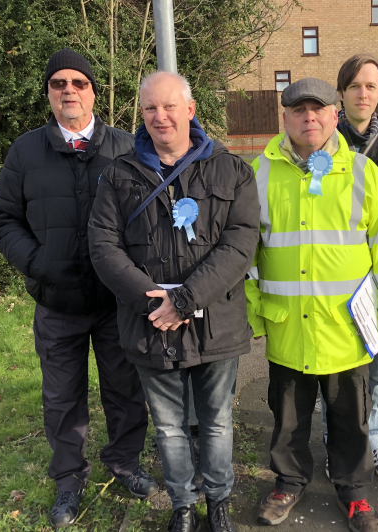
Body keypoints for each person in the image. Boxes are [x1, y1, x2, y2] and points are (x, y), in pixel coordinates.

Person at [0, 48, 153, 528]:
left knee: (124, 389)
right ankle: (68, 478)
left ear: (94, 92)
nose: (68, 91)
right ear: (48, 93)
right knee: (62, 397)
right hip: (57, 302)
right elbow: (4, 218)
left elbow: (148, 219)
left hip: (114, 302)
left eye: (78, 83)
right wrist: (37, 263)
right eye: (58, 83)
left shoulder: (124, 147)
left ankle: (125, 462)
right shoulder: (25, 151)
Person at [88, 71, 259, 532]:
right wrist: (153, 304)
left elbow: (240, 245)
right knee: (168, 428)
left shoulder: (232, 169)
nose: (159, 117)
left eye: (169, 107)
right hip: (150, 325)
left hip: (215, 323)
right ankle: (183, 504)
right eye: (150, 109)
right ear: (141, 114)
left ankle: (218, 500)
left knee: (218, 423)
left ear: (190, 109)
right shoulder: (120, 176)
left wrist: (185, 299)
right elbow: (103, 248)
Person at [247, 78, 378, 532]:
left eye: (318, 109)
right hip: (288, 328)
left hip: (348, 330)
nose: (308, 117)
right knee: (288, 421)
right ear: (285, 118)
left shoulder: (362, 172)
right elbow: (247, 254)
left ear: (335, 115)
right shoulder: (259, 173)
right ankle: (289, 482)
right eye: (298, 110)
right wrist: (253, 312)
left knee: (350, 420)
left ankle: (353, 492)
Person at [316, 53, 378, 483]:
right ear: (341, 93)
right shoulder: (322, 138)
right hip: (333, 278)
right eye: (355, 85)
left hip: (376, 280)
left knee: (375, 369)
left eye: (371, 86)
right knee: (333, 370)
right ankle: (333, 443)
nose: (363, 93)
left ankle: (374, 442)